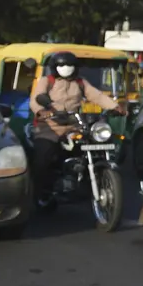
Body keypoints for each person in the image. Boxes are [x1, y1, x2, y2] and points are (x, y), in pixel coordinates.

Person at [29, 51, 123, 200]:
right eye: (62, 65)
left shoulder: (80, 82)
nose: (66, 68)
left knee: (94, 142)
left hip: (74, 125)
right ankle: (37, 192)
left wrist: (114, 106)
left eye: (70, 65)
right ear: (55, 67)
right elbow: (36, 98)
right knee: (43, 157)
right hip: (50, 126)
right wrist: (42, 111)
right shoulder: (47, 81)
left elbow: (96, 95)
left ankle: (86, 177)